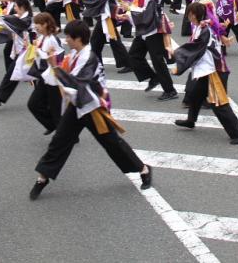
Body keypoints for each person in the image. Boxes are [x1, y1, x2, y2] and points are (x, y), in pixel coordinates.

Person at [29, 20, 152, 200]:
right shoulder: (74, 54)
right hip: (77, 105)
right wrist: (49, 66)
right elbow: (60, 75)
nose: (66, 40)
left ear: (78, 38)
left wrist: (55, 66)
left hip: (92, 106)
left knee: (112, 142)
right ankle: (42, 178)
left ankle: (144, 169)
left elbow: (76, 82)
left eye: (69, 37)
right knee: (59, 141)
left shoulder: (89, 57)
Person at [171, 3, 238, 144]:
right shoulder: (203, 26)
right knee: (194, 94)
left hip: (215, 71)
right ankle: (190, 120)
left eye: (189, 14)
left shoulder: (204, 29)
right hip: (207, 70)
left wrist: (176, 54)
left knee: (218, 103)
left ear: (193, 14)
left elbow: (194, 49)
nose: (187, 17)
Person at [121, 0, 177, 101]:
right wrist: (127, 13)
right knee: (134, 55)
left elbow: (148, 11)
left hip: (153, 27)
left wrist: (129, 9)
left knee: (157, 60)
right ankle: (153, 77)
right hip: (144, 27)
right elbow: (137, 7)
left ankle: (170, 90)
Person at [81, 0, 132, 72]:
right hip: (105, 16)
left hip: (108, 17)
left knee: (112, 41)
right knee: (98, 41)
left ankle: (127, 63)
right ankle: (97, 63)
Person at [26, 12, 65, 135]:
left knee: (55, 108)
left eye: (39, 24)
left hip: (53, 77)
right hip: (44, 76)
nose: (36, 26)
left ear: (46, 24)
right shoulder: (42, 37)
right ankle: (52, 125)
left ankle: (66, 134)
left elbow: (59, 57)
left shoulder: (52, 39)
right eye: (35, 23)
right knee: (34, 104)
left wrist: (39, 52)